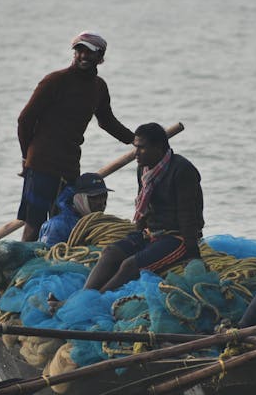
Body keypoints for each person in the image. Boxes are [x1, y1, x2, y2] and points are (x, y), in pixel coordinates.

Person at [16, 31, 134, 241]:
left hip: (70, 164)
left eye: (90, 52)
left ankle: (55, 261)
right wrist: (27, 157)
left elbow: (106, 121)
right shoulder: (54, 81)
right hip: (42, 162)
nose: (83, 56)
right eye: (79, 51)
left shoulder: (98, 87)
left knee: (66, 221)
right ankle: (23, 268)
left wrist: (135, 140)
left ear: (101, 57)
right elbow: (25, 120)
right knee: (34, 223)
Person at [83, 123, 204, 293]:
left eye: (142, 148)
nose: (136, 153)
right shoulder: (144, 169)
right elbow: (143, 207)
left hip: (177, 238)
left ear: (159, 147)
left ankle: (92, 299)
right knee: (111, 253)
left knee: (129, 264)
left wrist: (193, 254)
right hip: (150, 234)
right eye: (135, 147)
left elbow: (189, 215)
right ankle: (80, 297)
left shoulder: (183, 170)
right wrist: (136, 238)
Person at [38, 172, 111, 246]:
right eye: (93, 197)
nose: (100, 202)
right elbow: (47, 254)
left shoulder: (106, 224)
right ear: (79, 198)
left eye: (103, 196)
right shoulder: (57, 226)